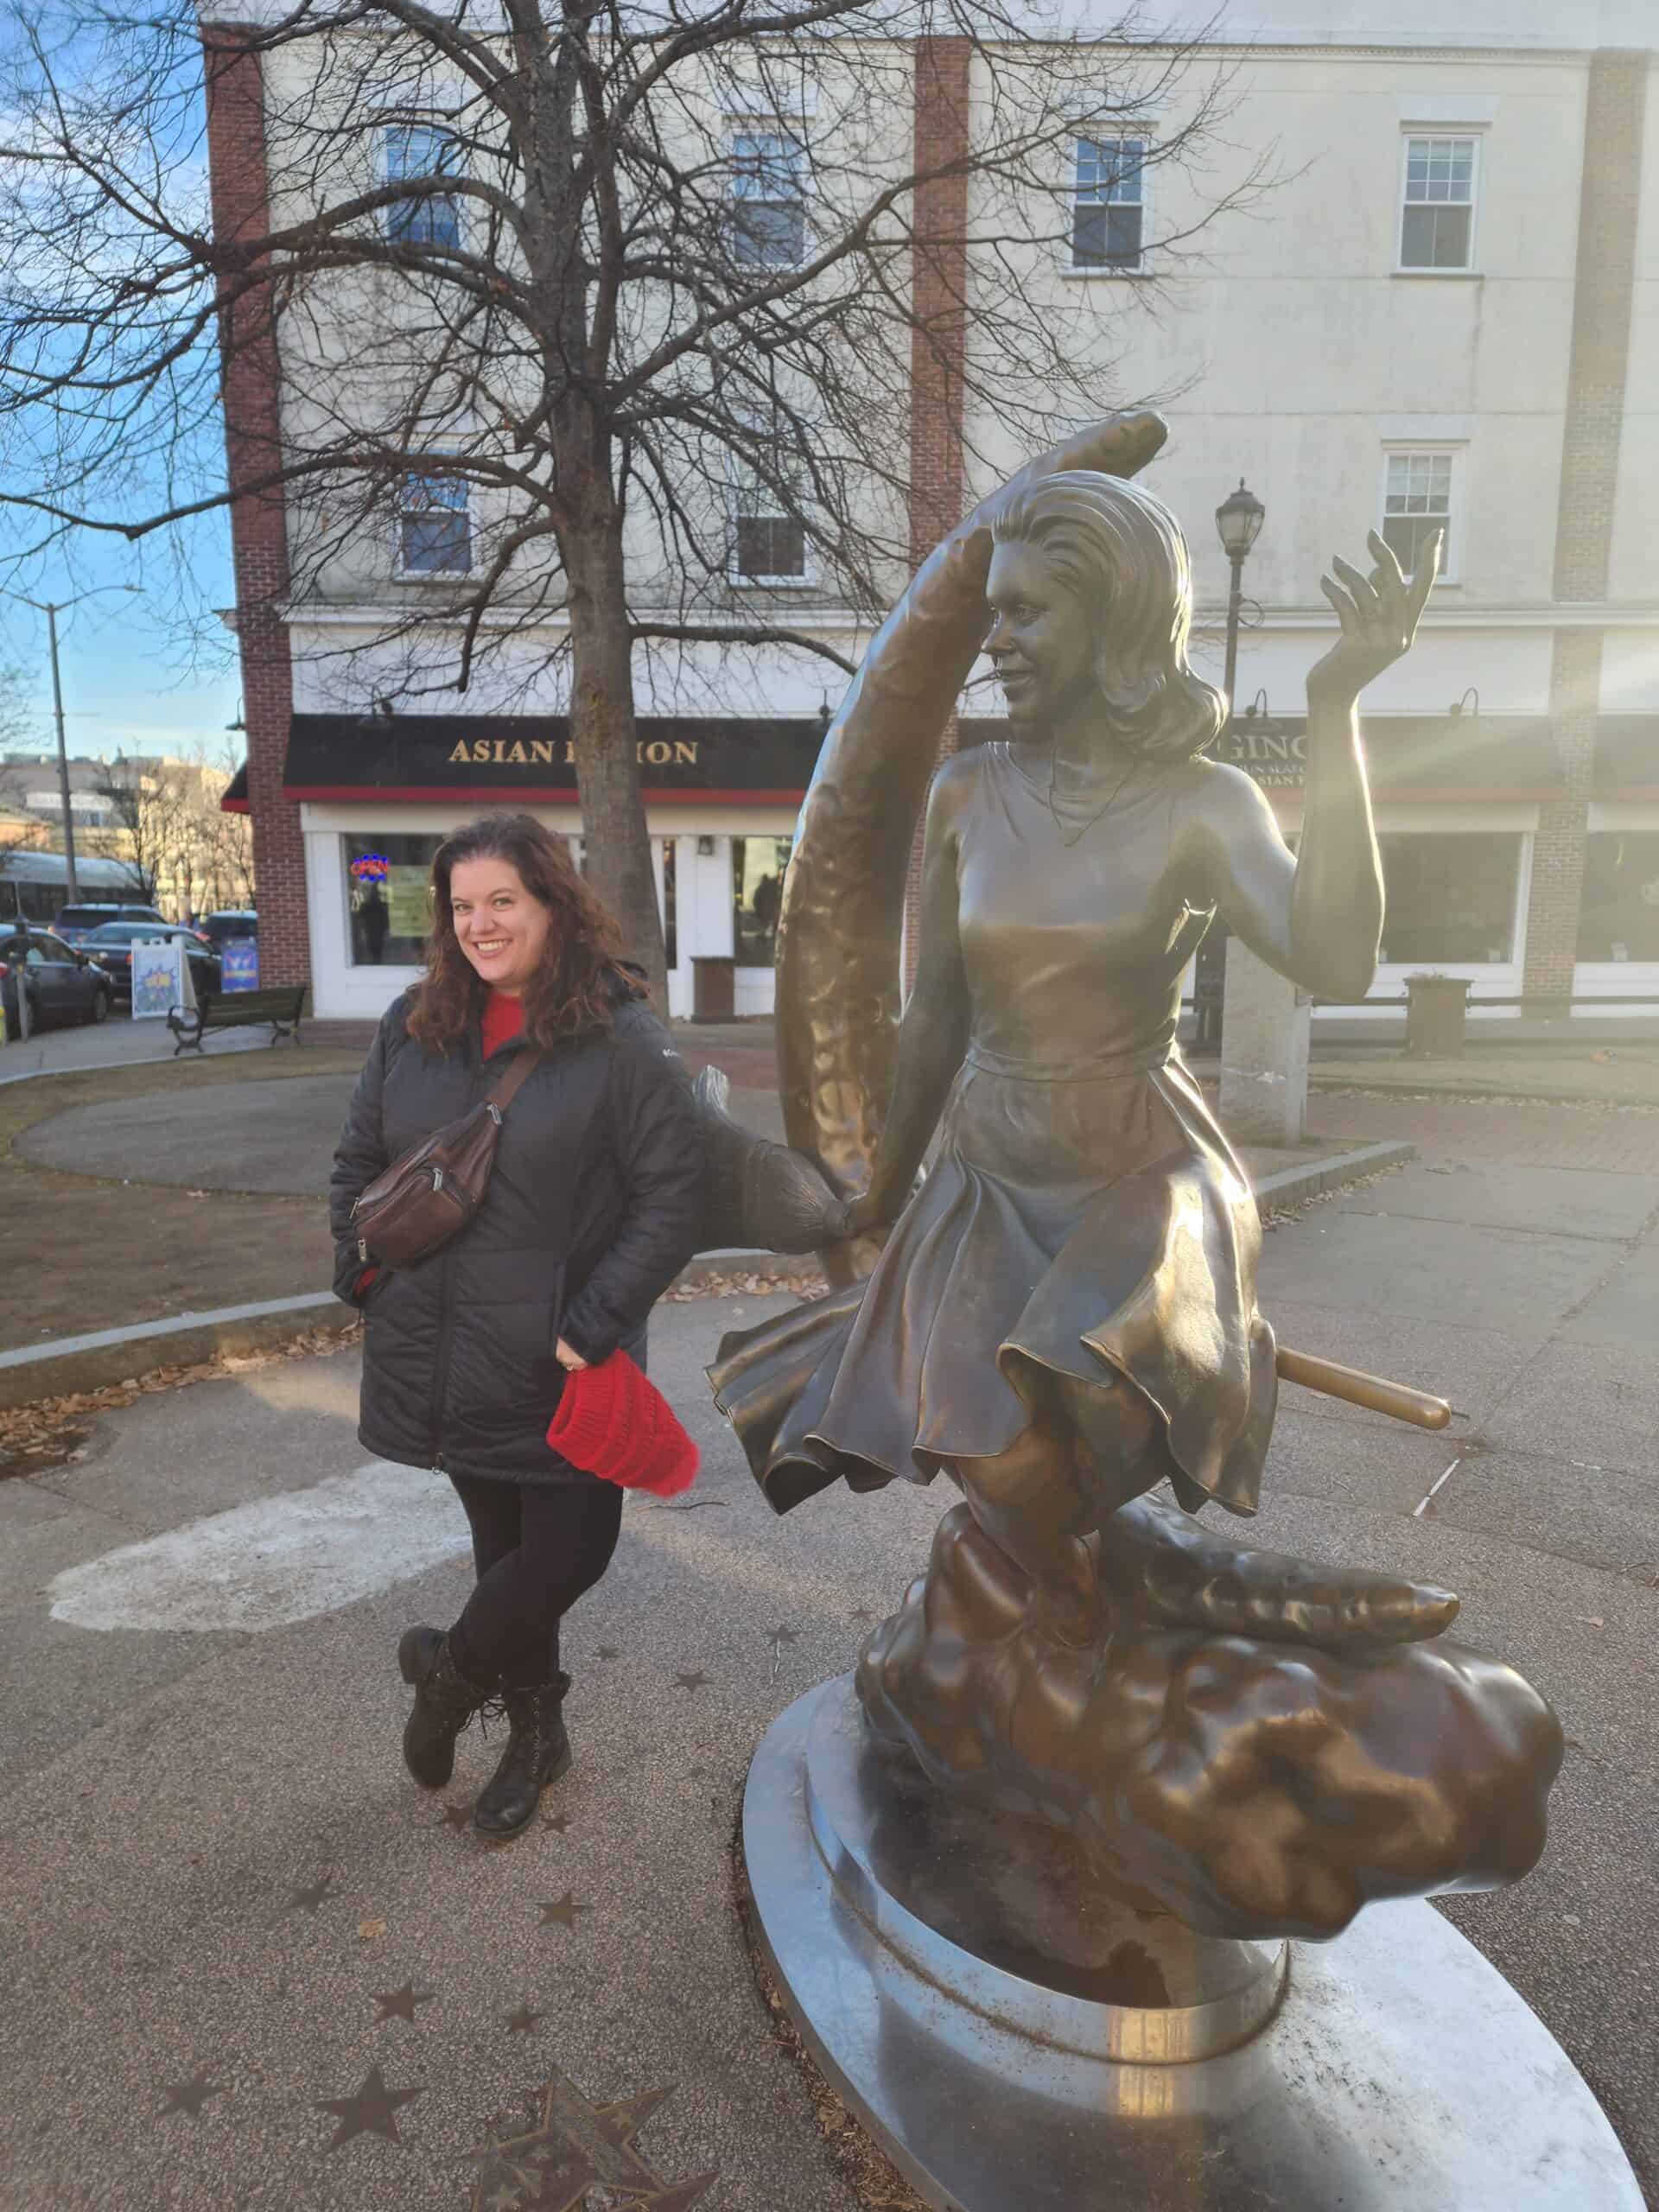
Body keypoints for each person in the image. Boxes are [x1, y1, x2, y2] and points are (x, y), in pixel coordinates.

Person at [711, 467, 1437, 1650]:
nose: (994, 642)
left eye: (1027, 614)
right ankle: (1096, 1593)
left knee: (1091, 1395)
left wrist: (1335, 705)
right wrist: (882, 1197)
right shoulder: (967, 793)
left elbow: (1336, 954)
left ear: (1119, 623)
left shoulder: (1205, 800)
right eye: (993, 610)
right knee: (989, 1446)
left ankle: (1099, 1616)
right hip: (995, 1167)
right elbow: (935, 1018)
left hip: (1138, 1171)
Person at [331, 813, 704, 1837]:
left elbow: (675, 1194)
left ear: (552, 904)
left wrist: (595, 1323)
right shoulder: (415, 1022)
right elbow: (356, 1163)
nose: (481, 924)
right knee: (505, 1553)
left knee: (568, 1553)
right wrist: (355, 1268)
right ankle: (539, 1735)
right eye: (462, 907)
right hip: (442, 1348)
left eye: (503, 901)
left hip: (561, 1356)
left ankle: (448, 1677)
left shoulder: (619, 1035)